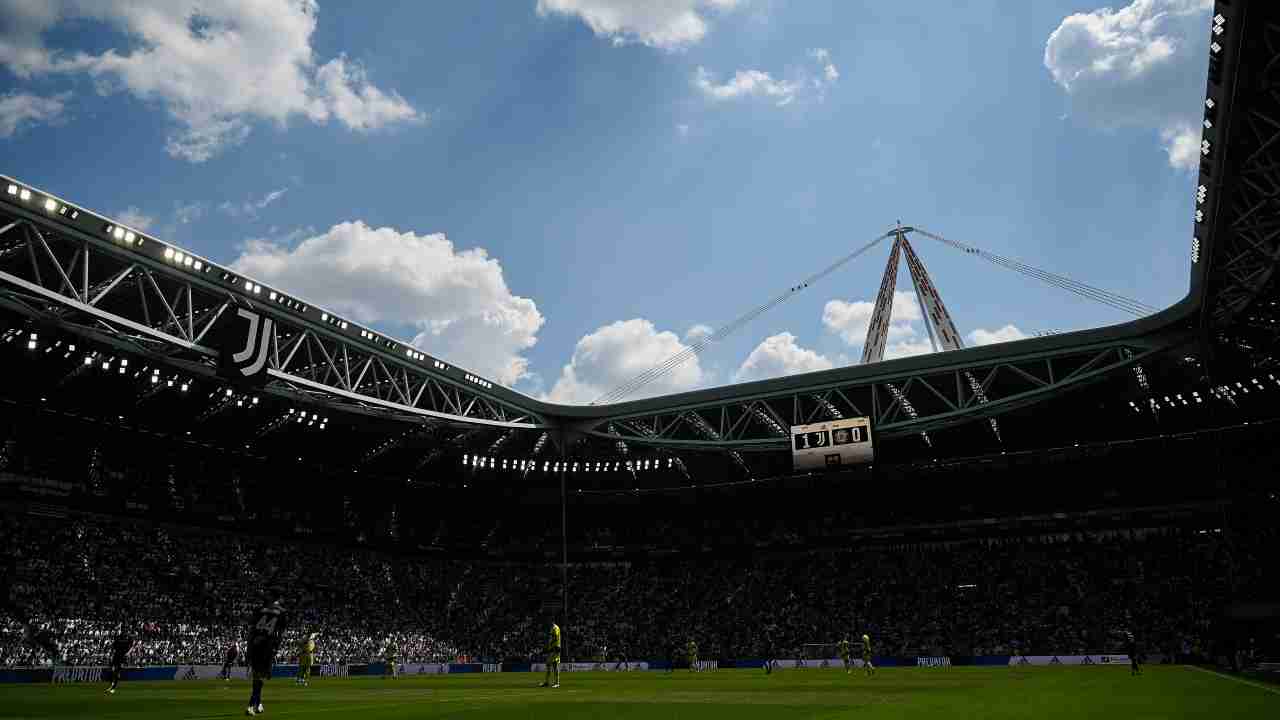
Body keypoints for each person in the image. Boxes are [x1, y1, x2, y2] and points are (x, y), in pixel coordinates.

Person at [245, 599, 287, 717]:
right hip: (266, 648)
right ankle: (250, 706)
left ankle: (258, 704)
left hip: (255, 647)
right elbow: (280, 634)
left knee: (257, 679)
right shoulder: (280, 614)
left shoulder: (259, 611)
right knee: (260, 679)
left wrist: (248, 651)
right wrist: (275, 649)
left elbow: (251, 631)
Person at [540, 621, 561, 688]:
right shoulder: (552, 628)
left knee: (554, 665)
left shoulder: (555, 628)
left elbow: (555, 637)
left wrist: (550, 644)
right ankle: (547, 682)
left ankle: (557, 683)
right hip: (552, 648)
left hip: (555, 648)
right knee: (548, 664)